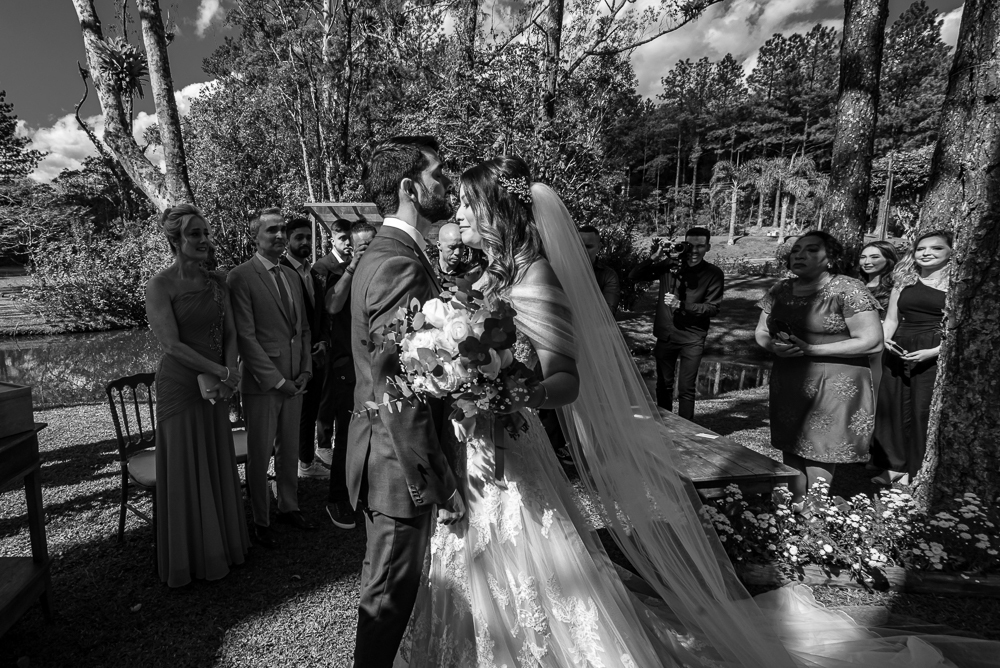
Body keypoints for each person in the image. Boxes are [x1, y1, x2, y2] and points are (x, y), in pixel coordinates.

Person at [401, 160, 993, 668]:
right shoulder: (494, 275)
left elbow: (564, 381)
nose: (463, 216)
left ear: (500, 211)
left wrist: (498, 385)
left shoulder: (536, 278)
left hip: (510, 444)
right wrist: (453, 371)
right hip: (479, 445)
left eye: (472, 205)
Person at [348, 136, 464, 668]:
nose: (449, 183)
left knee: (388, 591)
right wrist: (430, 476)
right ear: (408, 187)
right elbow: (400, 384)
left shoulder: (393, 254)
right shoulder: (397, 263)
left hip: (384, 451)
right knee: (388, 599)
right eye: (439, 174)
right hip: (397, 463)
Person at [145, 204, 249, 587]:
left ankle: (222, 544)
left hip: (217, 385)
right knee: (186, 463)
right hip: (181, 387)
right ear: (175, 240)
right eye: (194, 234)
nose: (204, 240)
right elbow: (171, 345)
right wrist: (221, 371)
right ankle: (189, 557)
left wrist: (231, 370)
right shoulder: (160, 286)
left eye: (205, 233)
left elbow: (232, 333)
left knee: (215, 457)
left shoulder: (217, 282)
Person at [754, 231, 883, 509]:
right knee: (791, 443)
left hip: (836, 381)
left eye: (811, 250)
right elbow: (762, 330)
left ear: (831, 259)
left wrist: (813, 350)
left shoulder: (848, 289)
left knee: (820, 448)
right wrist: (773, 347)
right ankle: (794, 503)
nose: (800, 255)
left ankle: (816, 509)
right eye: (796, 250)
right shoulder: (780, 289)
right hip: (789, 378)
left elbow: (872, 341)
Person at [228, 208, 316, 548]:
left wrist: (305, 370)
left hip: (296, 378)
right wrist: (278, 381)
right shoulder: (240, 277)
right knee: (260, 452)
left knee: (289, 448)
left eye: (282, 230)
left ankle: (288, 507)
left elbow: (303, 330)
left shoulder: (292, 274)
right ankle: (261, 519)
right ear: (256, 236)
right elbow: (246, 338)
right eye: (272, 231)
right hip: (264, 384)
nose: (280, 236)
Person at [869, 230, 952, 486]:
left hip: (933, 352)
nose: (927, 253)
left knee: (922, 410)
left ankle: (917, 469)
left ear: (951, 252)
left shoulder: (958, 282)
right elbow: (892, 318)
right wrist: (884, 340)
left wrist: (936, 352)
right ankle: (894, 466)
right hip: (898, 349)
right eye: (921, 249)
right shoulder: (904, 280)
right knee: (892, 408)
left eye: (936, 248)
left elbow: (963, 327)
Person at [628, 227, 723, 420]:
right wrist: (654, 257)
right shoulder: (669, 265)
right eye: (691, 245)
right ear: (684, 244)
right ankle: (665, 424)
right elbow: (634, 275)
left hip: (692, 337)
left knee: (686, 388)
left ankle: (687, 427)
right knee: (663, 384)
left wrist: (683, 305)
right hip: (666, 334)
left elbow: (713, 308)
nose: (694, 251)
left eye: (700, 246)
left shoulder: (713, 273)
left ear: (708, 247)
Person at [320, 220, 376, 530]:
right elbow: (331, 306)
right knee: (346, 436)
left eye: (374, 244)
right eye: (363, 246)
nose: (369, 251)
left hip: (375, 367)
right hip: (346, 368)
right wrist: (353, 267)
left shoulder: (383, 273)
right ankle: (337, 498)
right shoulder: (340, 276)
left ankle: (367, 491)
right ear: (352, 247)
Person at [281, 217, 330, 480]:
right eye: (298, 237)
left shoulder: (312, 272)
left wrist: (322, 340)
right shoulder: (280, 271)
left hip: (316, 353)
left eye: (308, 238)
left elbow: (319, 313)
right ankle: (298, 463)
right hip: (293, 356)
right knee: (296, 414)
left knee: (311, 410)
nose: (305, 243)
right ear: (287, 240)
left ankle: (306, 462)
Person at [858, 240, 899, 403]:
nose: (867, 262)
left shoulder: (896, 287)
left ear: (889, 259)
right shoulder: (854, 284)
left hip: (880, 347)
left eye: (874, 257)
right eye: (863, 257)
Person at [578, 224, 621, 312]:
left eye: (588, 247)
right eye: (579, 246)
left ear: (599, 247)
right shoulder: (562, 271)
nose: (583, 251)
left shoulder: (608, 275)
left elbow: (609, 312)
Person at [433, 221, 485, 290]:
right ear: (439, 245)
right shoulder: (428, 270)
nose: (457, 252)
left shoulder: (469, 275)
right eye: (452, 247)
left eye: (461, 247)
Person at [312, 218, 353, 285]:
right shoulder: (321, 266)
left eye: (350, 238)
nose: (348, 242)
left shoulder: (354, 263)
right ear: (332, 241)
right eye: (343, 238)